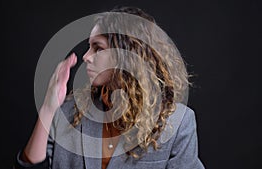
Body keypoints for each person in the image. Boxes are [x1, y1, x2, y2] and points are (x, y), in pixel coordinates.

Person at [14, 6, 205, 169]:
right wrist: (48, 108)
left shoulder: (178, 123)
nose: (86, 57)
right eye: (89, 47)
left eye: (98, 48)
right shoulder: (69, 111)